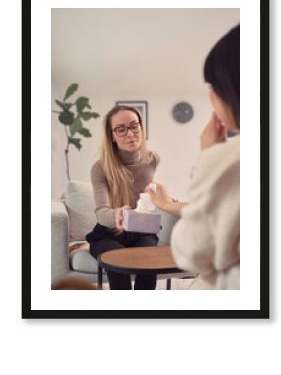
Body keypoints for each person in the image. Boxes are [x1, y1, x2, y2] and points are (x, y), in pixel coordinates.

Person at [146, 25, 240, 289]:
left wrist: (210, 158)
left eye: (213, 85)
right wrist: (168, 205)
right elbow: (231, 211)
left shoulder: (231, 158)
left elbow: (191, 253)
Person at [86, 105, 160, 290]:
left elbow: (147, 197)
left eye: (134, 126)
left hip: (141, 231)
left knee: (149, 257)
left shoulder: (153, 159)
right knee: (118, 259)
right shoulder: (100, 168)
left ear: (142, 128)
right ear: (111, 136)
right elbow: (101, 211)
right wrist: (117, 214)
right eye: (120, 129)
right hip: (107, 234)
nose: (130, 134)